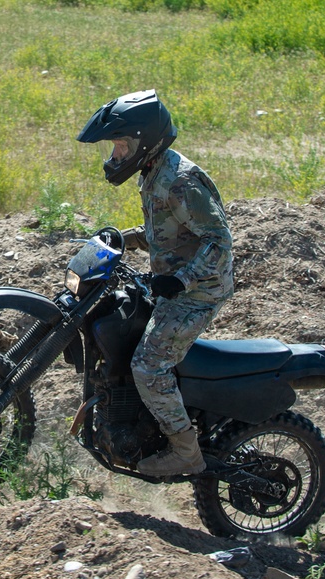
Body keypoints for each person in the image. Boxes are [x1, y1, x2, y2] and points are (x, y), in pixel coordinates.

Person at [76, 89, 234, 476]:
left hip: (199, 291)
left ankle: (185, 452)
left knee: (148, 366)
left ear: (144, 142)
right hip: (172, 281)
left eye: (120, 147)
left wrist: (180, 281)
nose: (115, 156)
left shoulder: (180, 182)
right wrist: (125, 239)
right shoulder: (153, 171)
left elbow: (219, 242)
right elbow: (169, 231)